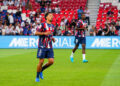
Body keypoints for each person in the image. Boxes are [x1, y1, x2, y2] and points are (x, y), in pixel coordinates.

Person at [35, 12, 55, 82]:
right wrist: (44, 33)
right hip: (42, 46)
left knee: (51, 61)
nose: (52, 17)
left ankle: (41, 70)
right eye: (50, 15)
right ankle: (37, 77)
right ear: (46, 17)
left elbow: (50, 34)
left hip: (49, 46)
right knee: (41, 61)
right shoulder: (42, 24)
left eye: (52, 16)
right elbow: (36, 33)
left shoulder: (52, 26)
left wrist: (52, 38)